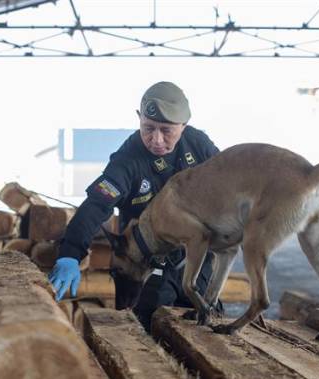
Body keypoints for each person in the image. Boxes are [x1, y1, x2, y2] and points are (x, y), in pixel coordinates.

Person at [49, 81, 221, 331]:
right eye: (148, 128)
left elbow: (227, 185)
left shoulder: (198, 144)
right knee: (152, 329)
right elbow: (97, 205)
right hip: (149, 265)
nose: (156, 139)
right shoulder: (128, 160)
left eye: (166, 130)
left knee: (205, 327)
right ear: (139, 118)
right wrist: (70, 254)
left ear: (183, 126)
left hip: (197, 257)